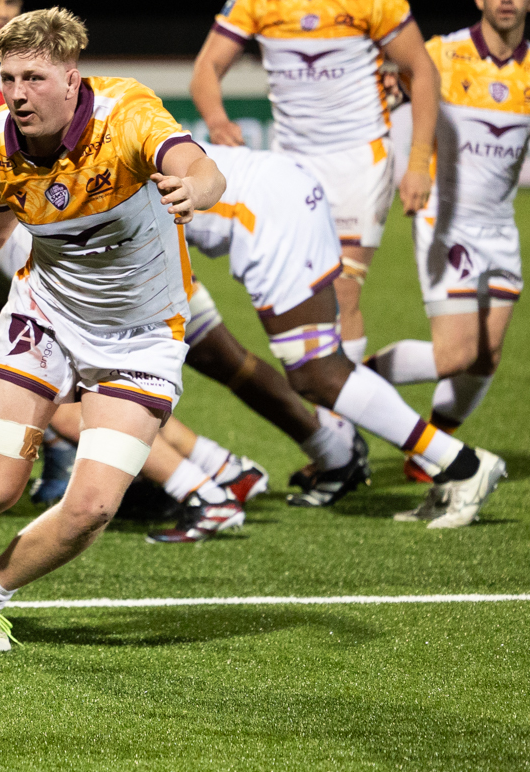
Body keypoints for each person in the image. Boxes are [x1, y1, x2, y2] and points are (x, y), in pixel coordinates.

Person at [0, 8, 226, 651]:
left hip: (143, 336)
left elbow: (199, 166)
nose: (17, 94)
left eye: (34, 78)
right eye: (8, 77)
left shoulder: (127, 115)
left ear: (72, 77)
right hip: (44, 318)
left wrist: (193, 191)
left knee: (92, 506)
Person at [188, 143, 505, 526]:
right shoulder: (114, 128)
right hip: (278, 190)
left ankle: (464, 465)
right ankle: (385, 462)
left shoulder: (102, 170)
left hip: (264, 210)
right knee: (314, 372)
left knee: (318, 373)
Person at [191, 0, 439, 366]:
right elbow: (206, 68)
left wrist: (418, 162)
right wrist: (217, 121)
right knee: (301, 291)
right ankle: (341, 399)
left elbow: (422, 70)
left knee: (342, 288)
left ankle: (339, 417)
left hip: (359, 160)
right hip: (291, 165)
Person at [368, 0, 528, 486]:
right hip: (447, 219)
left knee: (486, 357)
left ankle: (426, 450)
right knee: (454, 354)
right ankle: (351, 384)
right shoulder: (441, 55)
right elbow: (388, 83)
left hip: (500, 226)